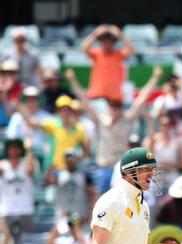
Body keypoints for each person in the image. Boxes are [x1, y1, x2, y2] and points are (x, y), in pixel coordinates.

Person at [66, 66, 163, 194]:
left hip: (121, 170)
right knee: (103, 203)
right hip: (104, 168)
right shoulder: (101, 120)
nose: (115, 109)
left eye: (117, 106)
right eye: (112, 105)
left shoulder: (127, 119)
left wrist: (155, 77)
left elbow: (142, 98)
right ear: (108, 106)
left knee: (122, 204)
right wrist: (72, 80)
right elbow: (85, 101)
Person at [17, 94, 88, 171]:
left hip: (72, 170)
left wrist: (78, 160)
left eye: (68, 109)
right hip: (55, 169)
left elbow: (86, 149)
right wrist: (18, 104)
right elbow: (32, 123)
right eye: (62, 109)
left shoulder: (78, 129)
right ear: (58, 112)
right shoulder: (53, 124)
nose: (65, 112)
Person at [81, 25, 135, 102]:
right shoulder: (97, 53)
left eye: (110, 40)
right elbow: (84, 48)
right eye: (104, 40)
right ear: (101, 42)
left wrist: (120, 35)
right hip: (96, 95)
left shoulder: (118, 54)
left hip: (114, 97)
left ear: (113, 43)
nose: (107, 42)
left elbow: (132, 50)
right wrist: (95, 34)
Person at [45, 147, 97, 223]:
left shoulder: (84, 175)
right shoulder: (59, 174)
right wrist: (50, 171)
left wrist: (91, 211)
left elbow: (92, 194)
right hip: (63, 215)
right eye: (68, 158)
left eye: (72, 158)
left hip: (80, 215)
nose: (70, 161)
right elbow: (48, 183)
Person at [0, 138, 36, 244]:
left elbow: (30, 170)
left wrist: (29, 150)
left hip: (25, 210)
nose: (14, 151)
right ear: (7, 150)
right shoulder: (3, 165)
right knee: (4, 243)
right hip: (7, 211)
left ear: (21, 150)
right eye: (11, 148)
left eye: (16, 148)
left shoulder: (26, 164)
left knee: (28, 242)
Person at [5, 86, 51, 155]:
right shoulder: (16, 117)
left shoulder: (47, 117)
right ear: (24, 101)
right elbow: (11, 136)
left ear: (39, 100)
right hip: (21, 154)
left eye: (34, 99)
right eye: (28, 99)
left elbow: (50, 138)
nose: (31, 102)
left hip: (42, 153)